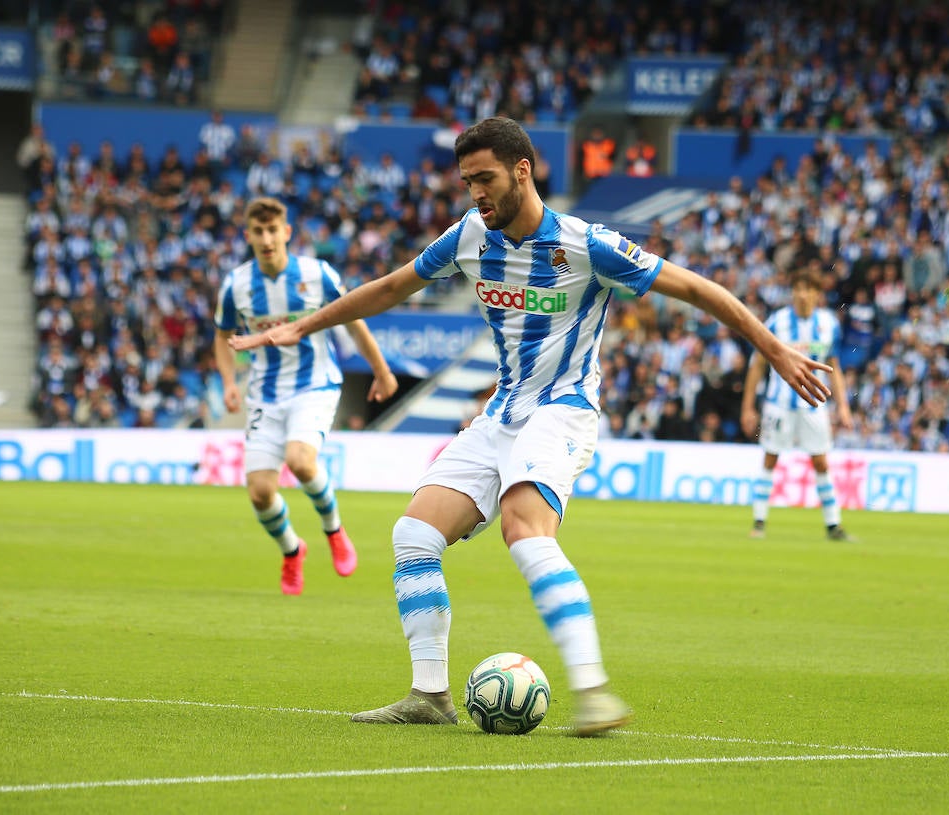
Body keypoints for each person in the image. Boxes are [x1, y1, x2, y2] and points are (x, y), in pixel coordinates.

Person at [227, 117, 831, 736]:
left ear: (523, 169)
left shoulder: (584, 244)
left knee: (522, 526)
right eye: (467, 182)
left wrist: (776, 349)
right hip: (502, 412)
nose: (475, 194)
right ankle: (429, 694)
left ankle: (593, 692)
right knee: (412, 537)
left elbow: (698, 289)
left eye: (484, 178)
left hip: (563, 408)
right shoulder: (469, 237)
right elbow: (389, 288)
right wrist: (302, 327)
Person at [215, 197, 398, 595]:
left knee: (300, 461)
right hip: (264, 393)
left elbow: (354, 323)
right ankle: (293, 550)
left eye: (272, 230)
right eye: (258, 232)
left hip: (314, 384)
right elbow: (221, 335)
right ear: (248, 236)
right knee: (261, 493)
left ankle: (334, 530)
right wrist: (229, 381)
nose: (266, 239)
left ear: (286, 233)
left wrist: (382, 371)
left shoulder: (317, 275)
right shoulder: (237, 286)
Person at [740, 268, 855, 541]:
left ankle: (833, 526)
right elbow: (757, 365)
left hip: (813, 404)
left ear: (817, 294)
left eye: (808, 289)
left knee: (821, 462)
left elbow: (834, 367)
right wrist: (748, 406)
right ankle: (758, 523)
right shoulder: (777, 322)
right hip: (778, 404)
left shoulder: (829, 324)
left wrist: (843, 406)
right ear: (792, 292)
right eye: (798, 289)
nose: (802, 295)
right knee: (770, 457)